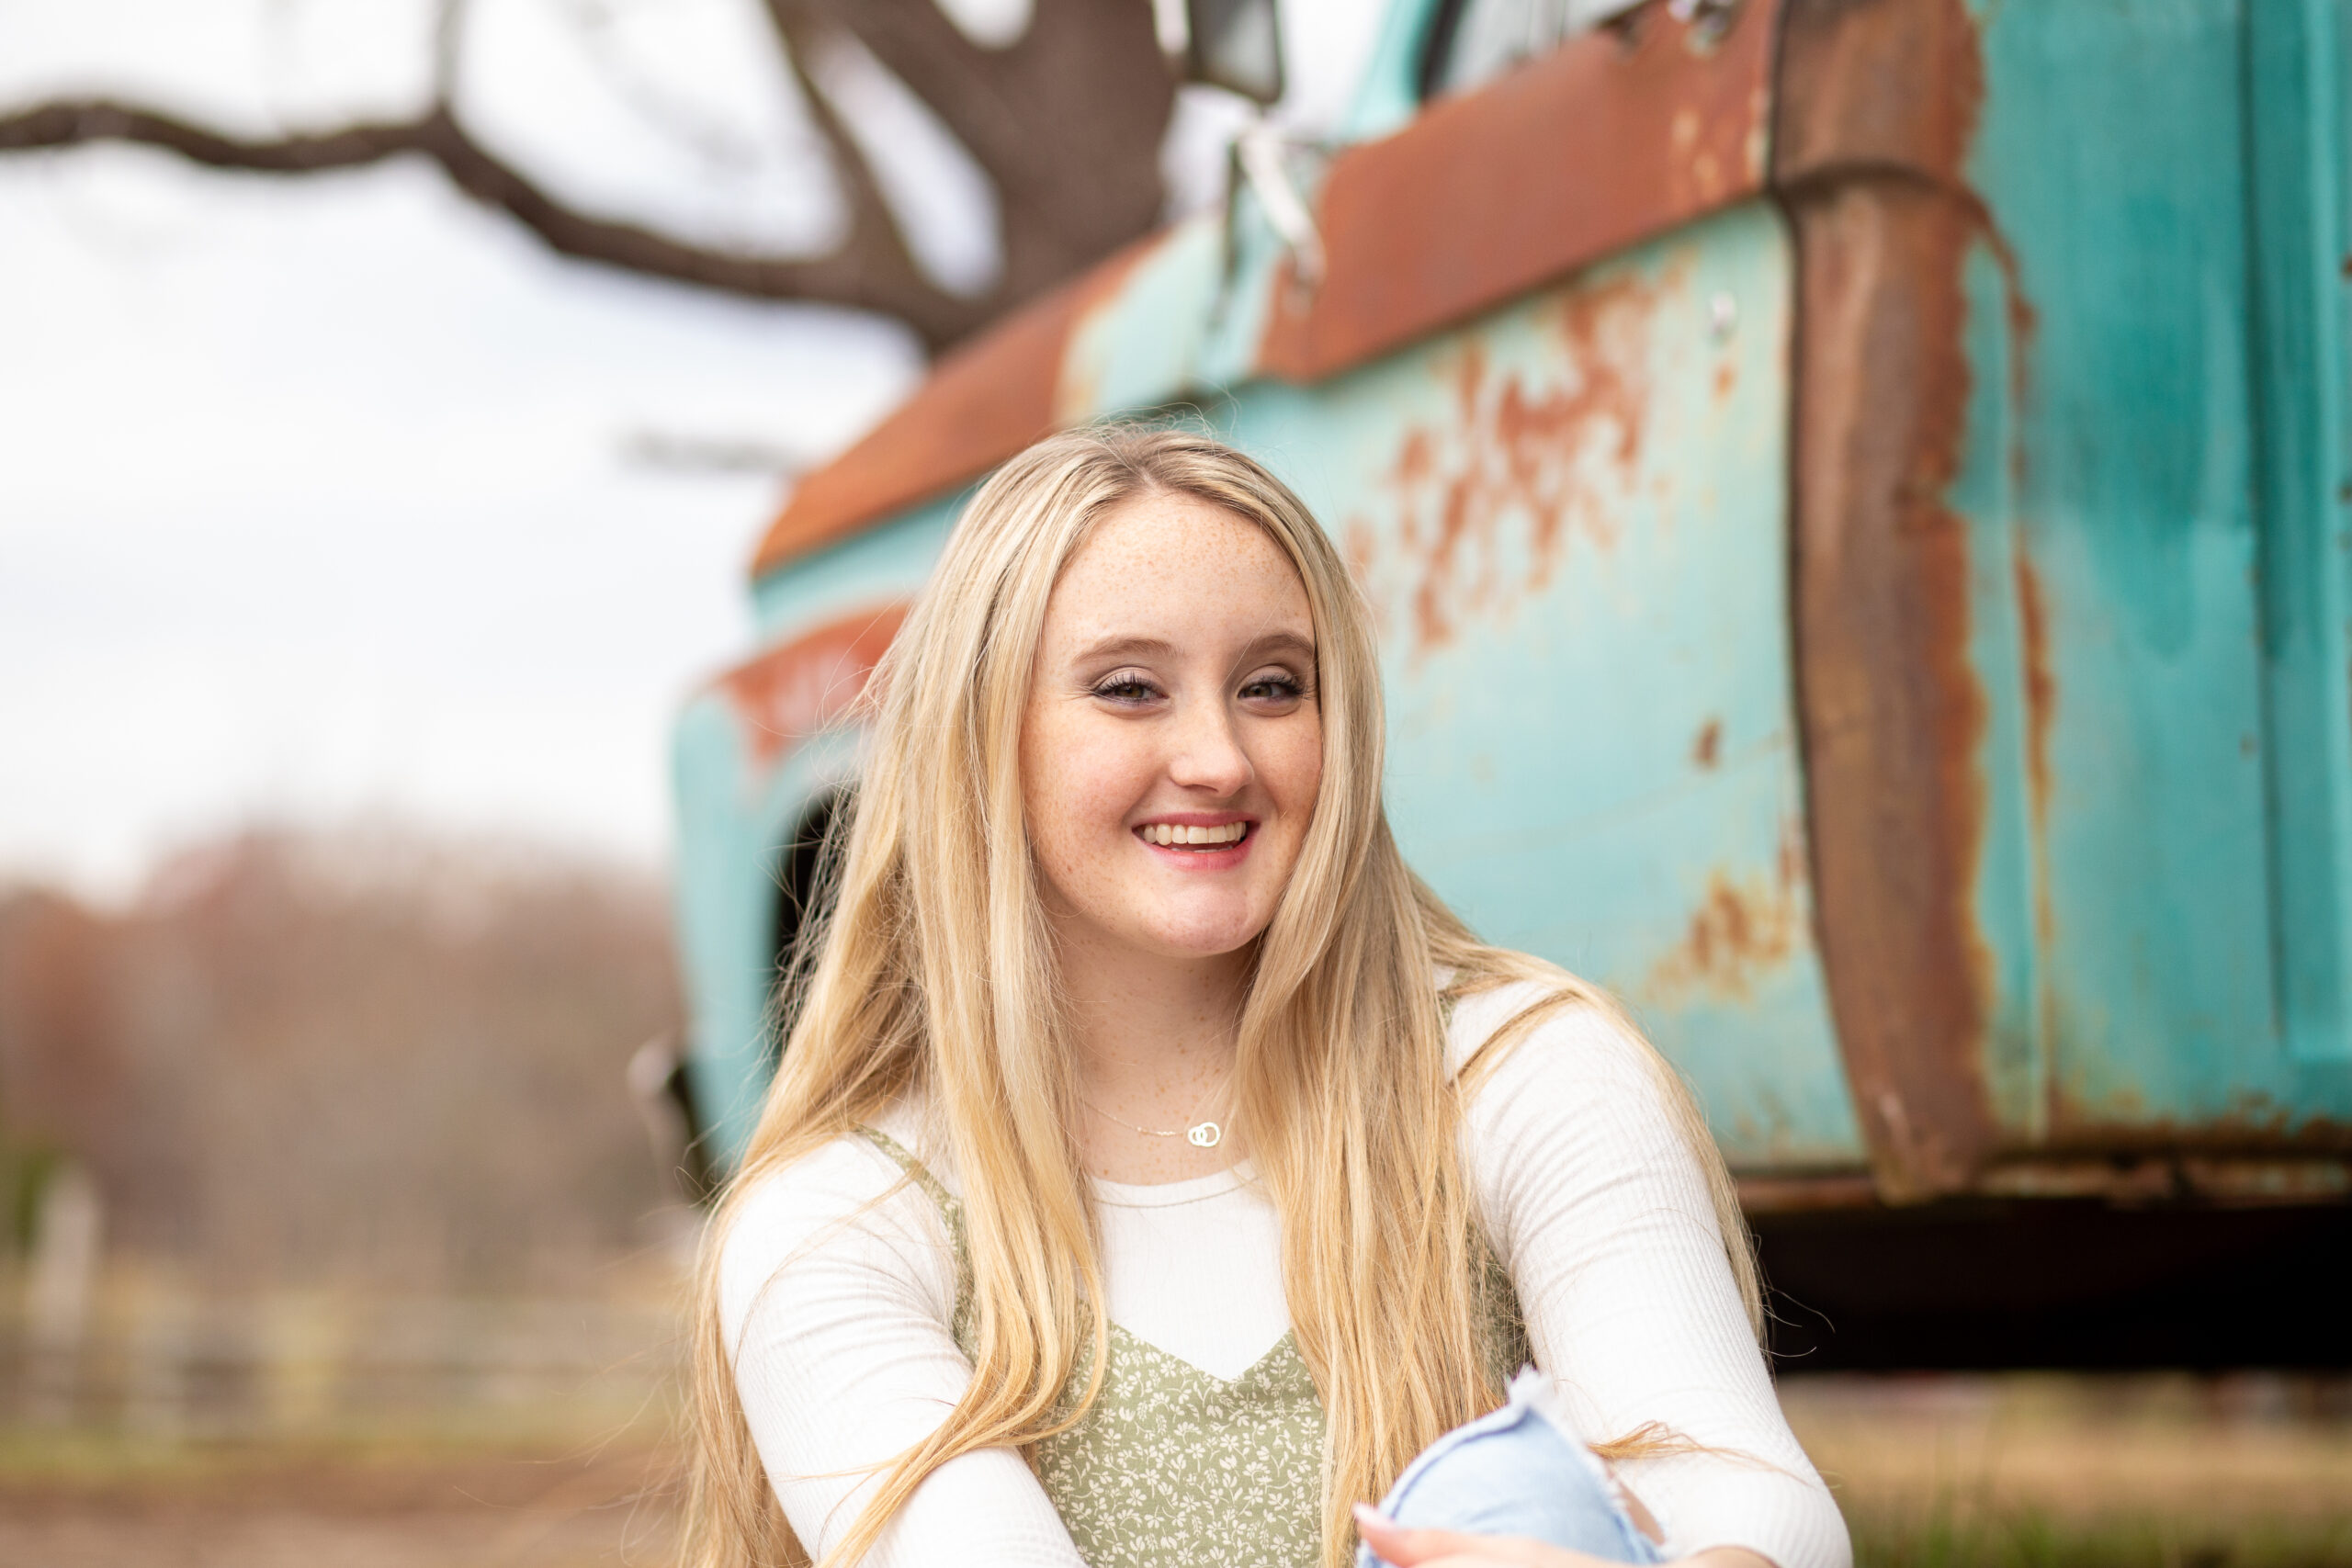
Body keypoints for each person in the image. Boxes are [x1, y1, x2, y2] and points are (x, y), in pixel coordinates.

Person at [681, 427, 1851, 1568]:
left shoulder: (1524, 1069)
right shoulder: (834, 1219)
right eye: (1131, 687)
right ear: (982, 737)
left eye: (1273, 686)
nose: (1220, 758)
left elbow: (1728, 1479)